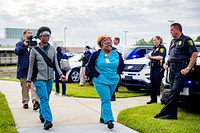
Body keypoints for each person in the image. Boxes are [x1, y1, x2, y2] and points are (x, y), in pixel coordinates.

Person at [154, 23, 198, 119]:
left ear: (177, 30)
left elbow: (194, 54)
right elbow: (171, 55)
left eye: (172, 30)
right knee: (173, 92)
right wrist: (167, 63)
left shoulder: (187, 40)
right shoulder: (173, 41)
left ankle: (163, 111)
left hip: (181, 69)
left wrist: (188, 68)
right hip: (172, 69)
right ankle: (172, 115)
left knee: (174, 91)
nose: (170, 32)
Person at [26, 26, 66, 130]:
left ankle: (42, 115)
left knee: (46, 99)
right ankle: (48, 121)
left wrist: (61, 74)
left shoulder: (52, 49)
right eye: (44, 36)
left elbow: (55, 64)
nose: (47, 37)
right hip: (39, 78)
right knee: (43, 98)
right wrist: (28, 80)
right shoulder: (34, 50)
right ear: (40, 37)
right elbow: (31, 66)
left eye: (48, 36)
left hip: (50, 78)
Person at [87, 35, 124, 129]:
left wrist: (118, 74)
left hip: (113, 80)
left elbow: (121, 66)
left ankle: (102, 117)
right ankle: (109, 120)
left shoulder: (117, 54)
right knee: (106, 99)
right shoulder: (96, 54)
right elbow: (90, 66)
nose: (109, 44)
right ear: (101, 45)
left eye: (110, 43)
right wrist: (97, 74)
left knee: (105, 99)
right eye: (106, 43)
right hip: (100, 80)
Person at [14, 28, 40, 110]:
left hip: (33, 69)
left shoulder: (34, 44)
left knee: (33, 86)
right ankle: (25, 102)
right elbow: (17, 52)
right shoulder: (19, 44)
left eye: (31, 33)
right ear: (24, 35)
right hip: (23, 69)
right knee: (24, 87)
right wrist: (24, 45)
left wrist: (33, 47)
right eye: (28, 33)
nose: (30, 34)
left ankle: (35, 102)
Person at [146, 36, 166, 104]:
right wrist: (149, 57)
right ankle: (153, 99)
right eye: (153, 40)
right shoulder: (154, 48)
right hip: (153, 67)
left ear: (159, 40)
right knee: (153, 84)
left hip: (158, 68)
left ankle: (162, 99)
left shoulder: (162, 48)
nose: (154, 41)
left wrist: (151, 57)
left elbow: (161, 57)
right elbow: (151, 56)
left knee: (159, 84)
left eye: (155, 40)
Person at [111, 37, 123, 101]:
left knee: (113, 83)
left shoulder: (117, 49)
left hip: (115, 70)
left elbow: (121, 63)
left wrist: (119, 72)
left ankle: (113, 96)